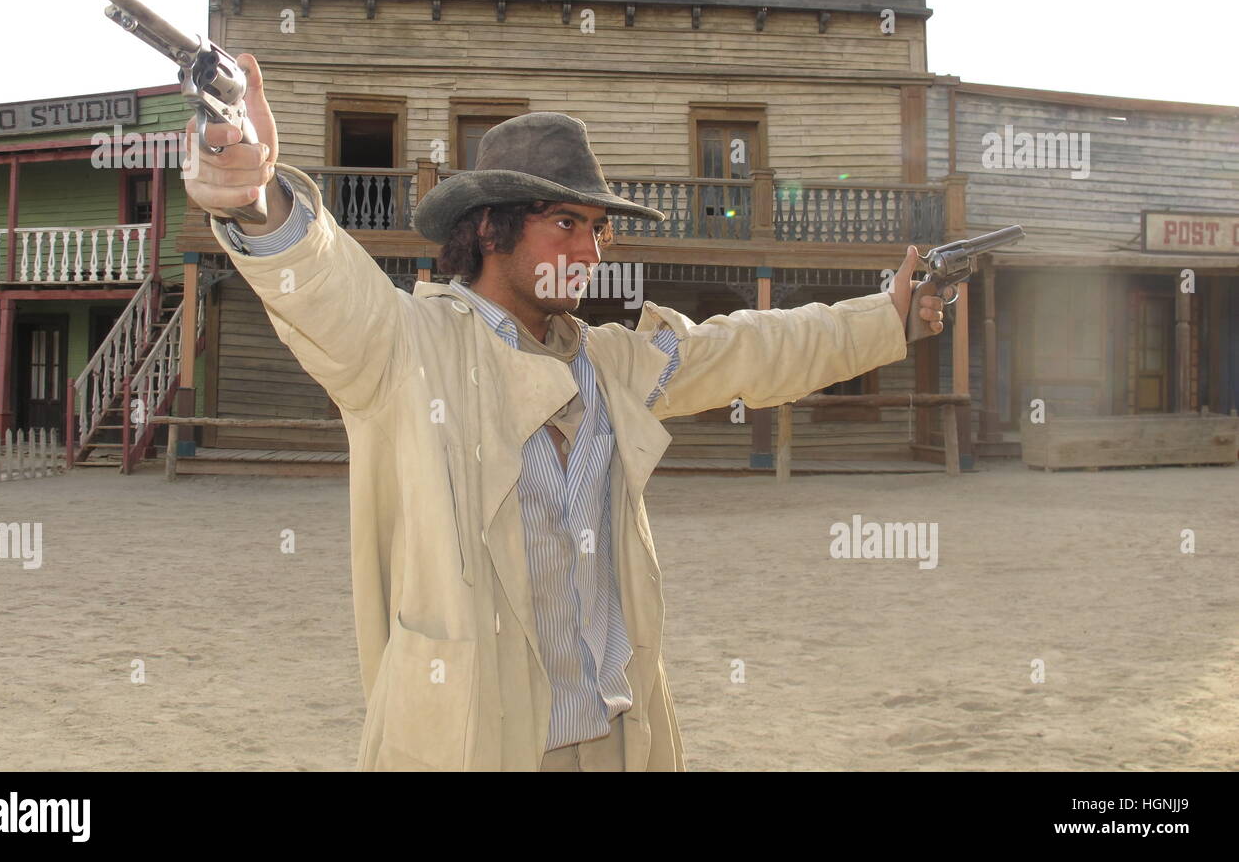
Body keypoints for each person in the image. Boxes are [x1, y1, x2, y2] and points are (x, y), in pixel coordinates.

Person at [185, 54, 945, 772]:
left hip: (616, 734)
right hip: (478, 738)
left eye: (598, 228)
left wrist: (890, 317)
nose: (590, 250)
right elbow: (325, 284)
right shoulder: (410, 350)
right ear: (490, 226)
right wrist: (259, 203)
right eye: (565, 223)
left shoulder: (613, 361)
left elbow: (756, 347)